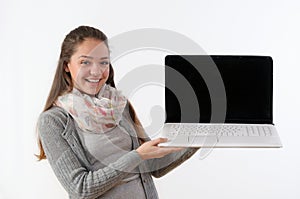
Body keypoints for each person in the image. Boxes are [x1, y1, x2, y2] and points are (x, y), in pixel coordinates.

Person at [36, 25, 198, 199]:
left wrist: (202, 137)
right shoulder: (53, 121)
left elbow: (154, 165)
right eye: (85, 62)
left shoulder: (118, 105)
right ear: (67, 65)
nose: (96, 71)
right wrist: (136, 156)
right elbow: (80, 189)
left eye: (103, 62)